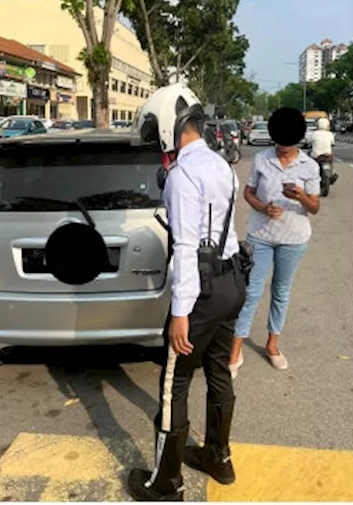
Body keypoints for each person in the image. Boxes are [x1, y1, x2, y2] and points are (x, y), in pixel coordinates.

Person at [127, 85, 247, 501]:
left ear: (168, 125)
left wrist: (181, 311)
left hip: (201, 292)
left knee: (174, 382)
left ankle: (167, 481)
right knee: (218, 371)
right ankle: (219, 456)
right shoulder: (222, 165)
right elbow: (225, 234)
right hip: (232, 282)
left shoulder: (182, 175)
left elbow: (185, 246)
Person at [230, 108, 320, 378]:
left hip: (293, 239)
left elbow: (314, 207)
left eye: (288, 144)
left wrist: (301, 196)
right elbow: (247, 192)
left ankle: (272, 345)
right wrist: (262, 207)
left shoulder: (310, 166)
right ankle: (235, 348)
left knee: (281, 291)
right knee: (251, 292)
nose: (283, 149)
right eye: (280, 143)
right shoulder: (261, 159)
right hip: (262, 236)